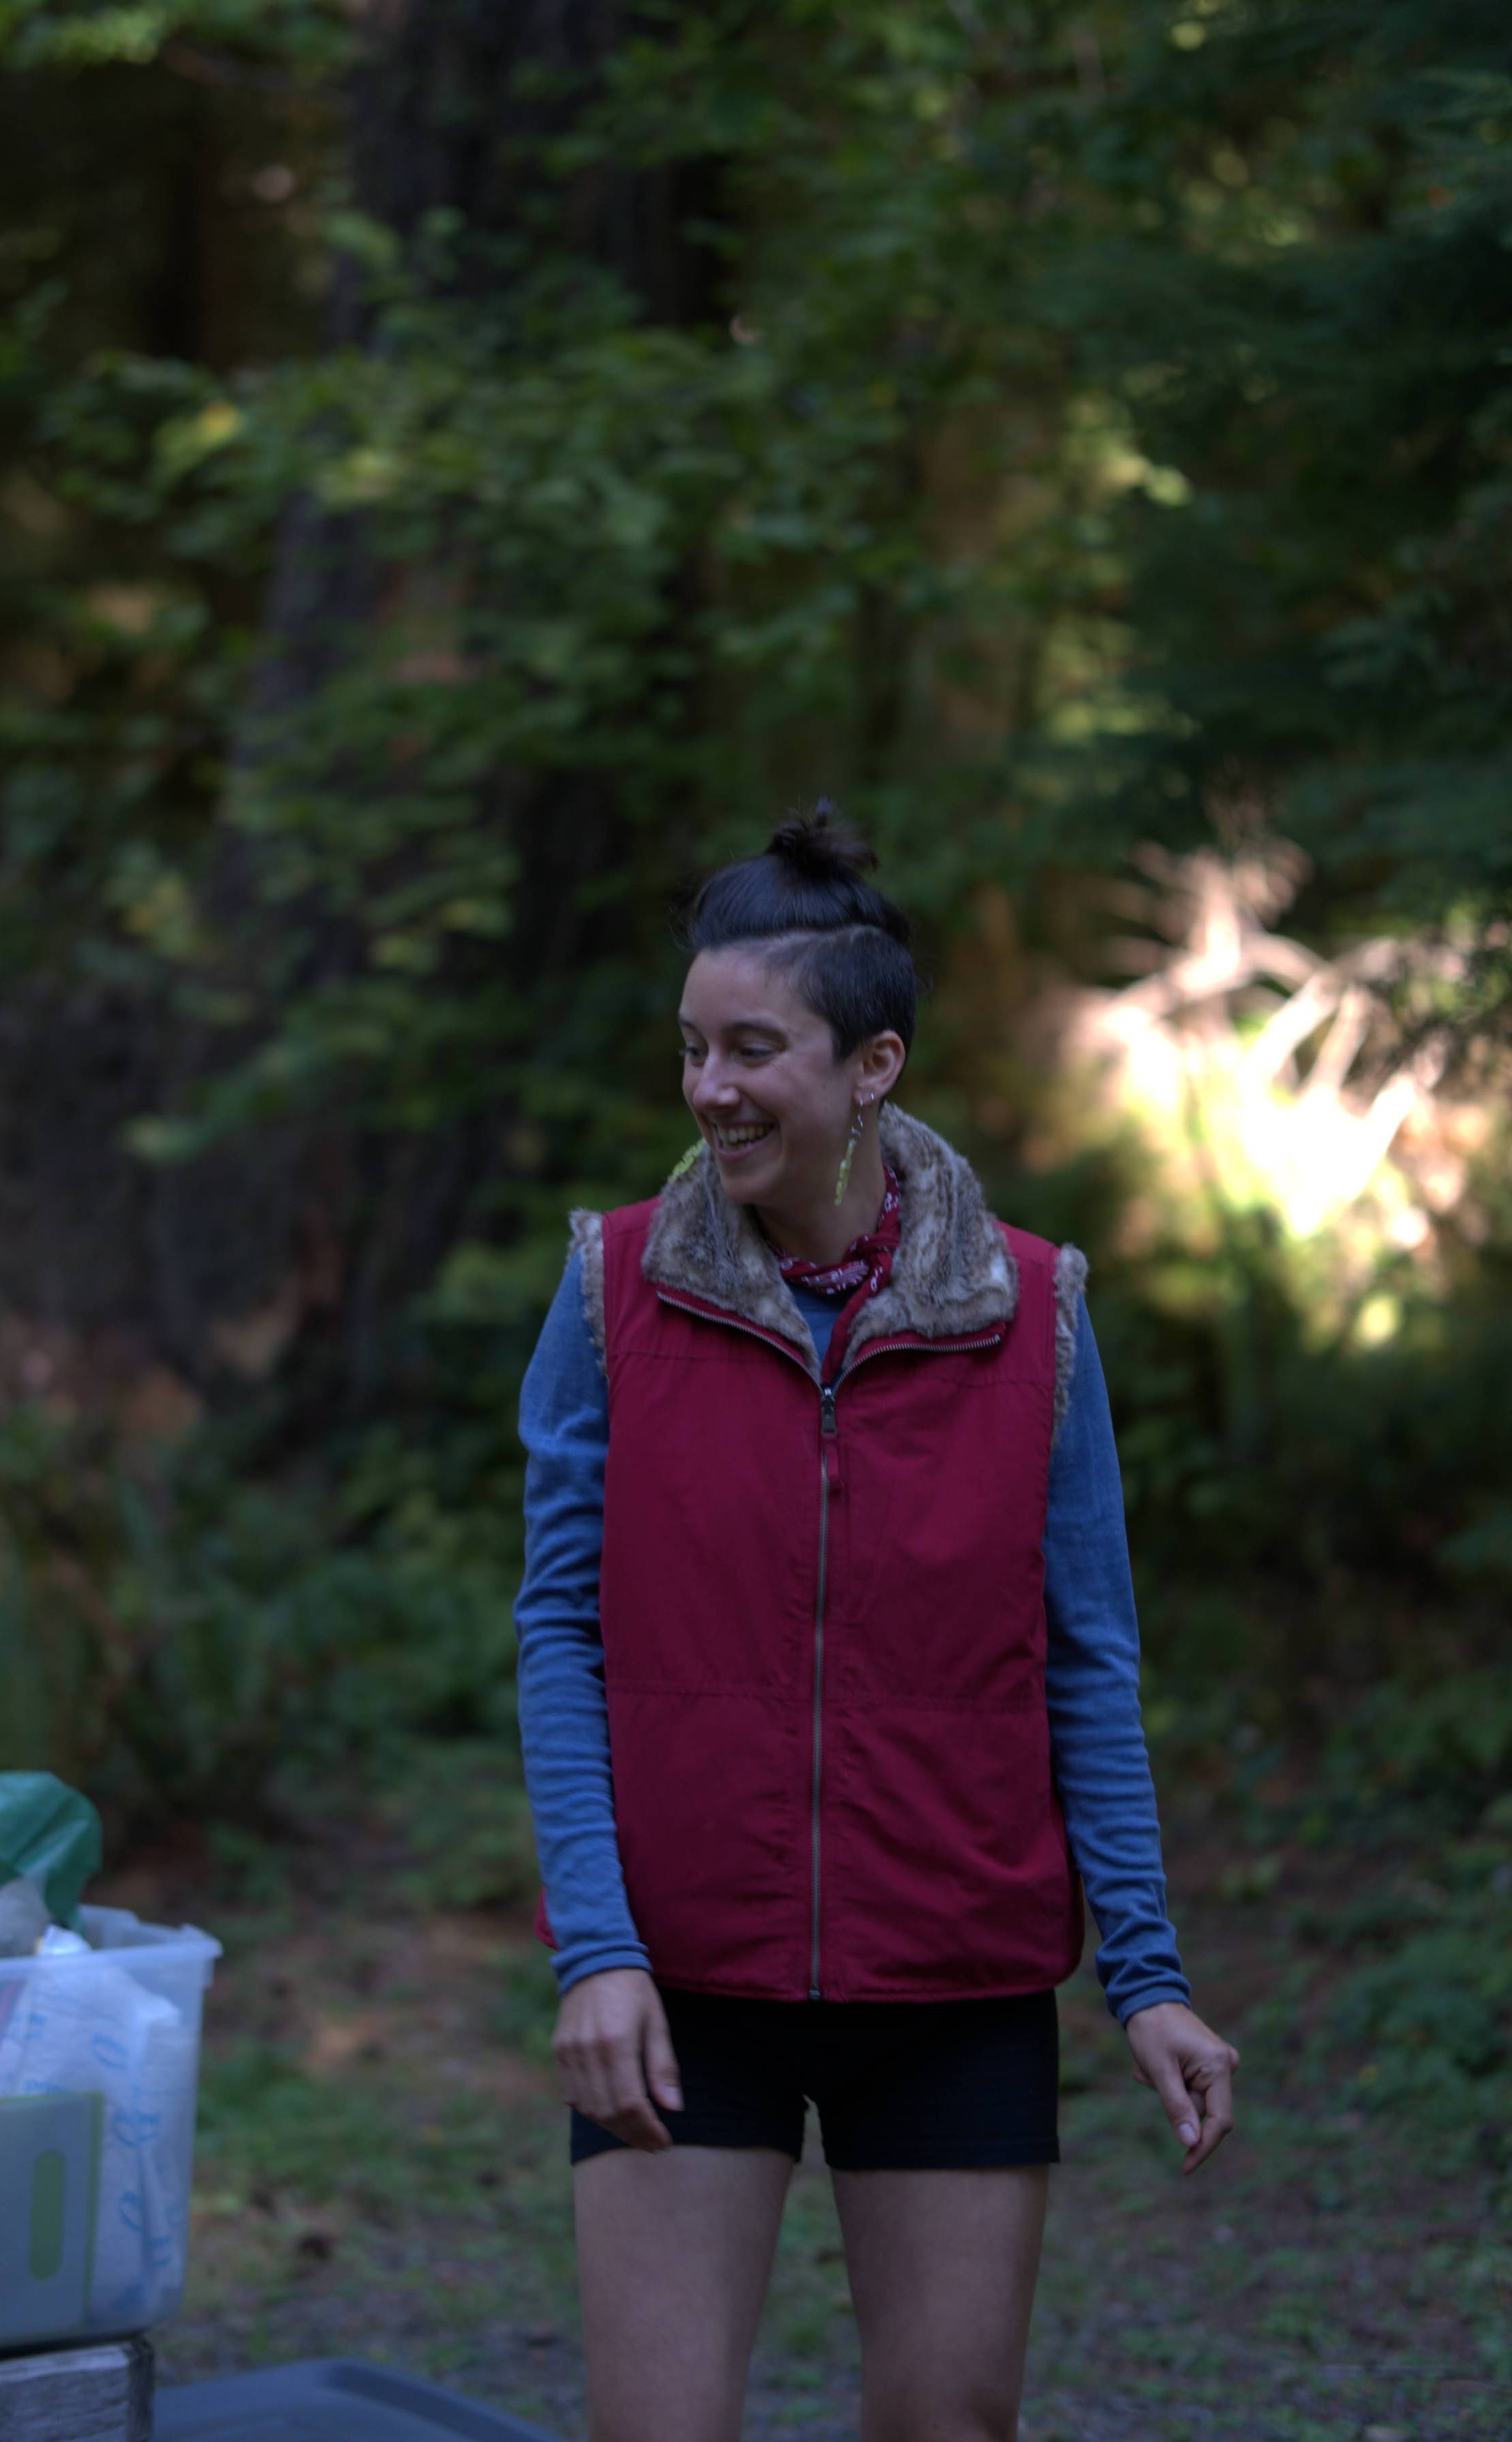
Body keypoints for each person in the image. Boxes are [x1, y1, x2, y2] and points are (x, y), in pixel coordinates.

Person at [513, 807, 1239, 2442]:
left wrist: (1149, 1977)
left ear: (873, 1066)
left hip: (957, 1979)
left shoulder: (1032, 1310)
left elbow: (1087, 1658)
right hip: (684, 1977)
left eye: (753, 1050)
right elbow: (561, 1630)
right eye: (693, 1048)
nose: (709, 1089)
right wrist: (597, 1947)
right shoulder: (612, 1290)